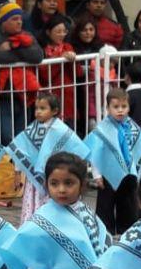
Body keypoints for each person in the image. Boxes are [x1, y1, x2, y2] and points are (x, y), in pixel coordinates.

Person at [7, 92, 89, 223]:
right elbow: (22, 152)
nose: (38, 112)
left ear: (54, 110)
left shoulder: (61, 130)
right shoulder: (32, 130)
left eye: (43, 108)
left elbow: (76, 148)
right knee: (33, 204)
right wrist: (17, 173)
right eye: (36, 108)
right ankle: (33, 226)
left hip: (55, 178)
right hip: (34, 180)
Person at [86, 87, 141, 235]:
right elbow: (95, 153)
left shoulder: (133, 128)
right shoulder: (103, 129)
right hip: (107, 173)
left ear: (129, 107)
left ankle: (127, 231)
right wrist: (97, 175)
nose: (120, 110)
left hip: (129, 173)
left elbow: (140, 149)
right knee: (105, 204)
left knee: (128, 203)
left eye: (124, 106)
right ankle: (105, 231)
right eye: (116, 107)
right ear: (107, 108)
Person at [0, 2, 44, 145]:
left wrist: (13, 46)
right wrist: (22, 54)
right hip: (1, 97)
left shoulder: (26, 35)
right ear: (3, 21)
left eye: (20, 18)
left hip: (23, 95)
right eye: (14, 19)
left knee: (23, 139)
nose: (19, 22)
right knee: (7, 138)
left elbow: (37, 55)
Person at [38, 15, 77, 129]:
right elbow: (45, 76)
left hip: (68, 96)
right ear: (48, 32)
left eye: (64, 31)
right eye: (58, 31)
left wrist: (72, 60)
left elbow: (78, 73)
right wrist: (60, 58)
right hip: (49, 94)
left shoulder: (68, 46)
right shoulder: (42, 49)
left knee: (69, 131)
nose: (62, 35)